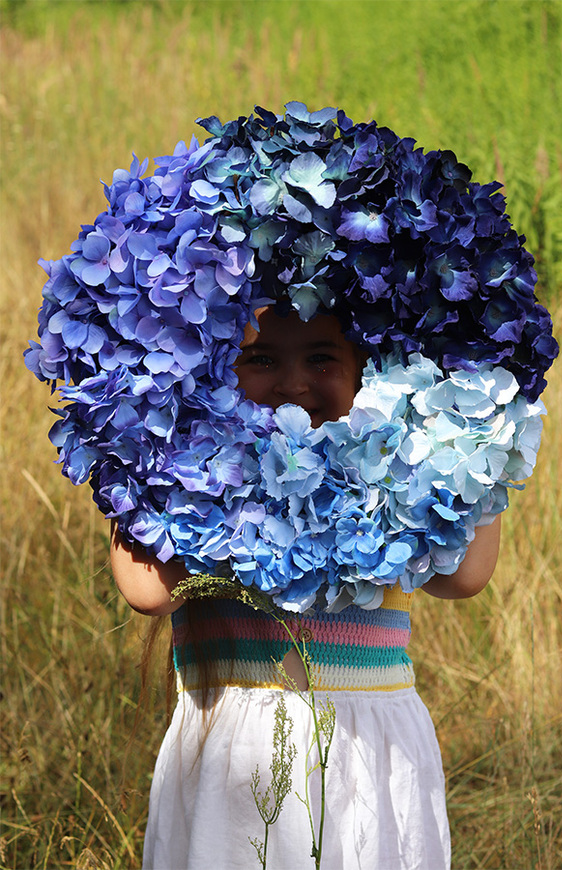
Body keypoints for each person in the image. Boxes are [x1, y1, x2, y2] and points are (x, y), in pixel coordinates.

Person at [111, 306, 501, 870]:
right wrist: (138, 435)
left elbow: (465, 576)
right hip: (235, 759)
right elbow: (146, 591)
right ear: (211, 368)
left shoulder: (390, 480)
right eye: (260, 358)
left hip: (368, 752)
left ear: (369, 372)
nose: (293, 383)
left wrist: (477, 431)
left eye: (322, 358)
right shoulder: (197, 482)